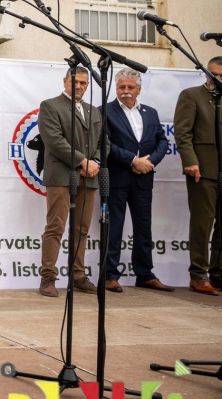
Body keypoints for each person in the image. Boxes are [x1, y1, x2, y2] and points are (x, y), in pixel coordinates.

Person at [37, 66, 106, 297]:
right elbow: (54, 140)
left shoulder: (94, 111)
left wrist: (94, 161)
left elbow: (102, 141)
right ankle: (48, 277)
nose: (78, 86)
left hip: (90, 177)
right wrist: (82, 161)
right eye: (75, 82)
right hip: (61, 176)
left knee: (81, 230)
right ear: (65, 80)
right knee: (55, 227)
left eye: (83, 83)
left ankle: (77, 276)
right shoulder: (50, 105)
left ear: (88, 85)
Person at [103, 68, 173, 293]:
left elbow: (162, 141)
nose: (125, 91)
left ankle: (144, 274)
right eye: (122, 87)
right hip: (117, 178)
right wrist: (133, 160)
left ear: (139, 89)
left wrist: (150, 161)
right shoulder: (104, 111)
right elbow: (105, 144)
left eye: (130, 87)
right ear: (116, 88)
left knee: (144, 229)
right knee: (114, 228)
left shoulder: (151, 113)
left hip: (144, 179)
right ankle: (110, 276)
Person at [174, 55, 222, 295]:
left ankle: (218, 274)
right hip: (202, 170)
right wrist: (190, 161)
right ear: (206, 73)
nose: (217, 79)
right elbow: (182, 132)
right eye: (214, 74)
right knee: (203, 224)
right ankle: (198, 275)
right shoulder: (192, 95)